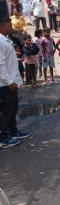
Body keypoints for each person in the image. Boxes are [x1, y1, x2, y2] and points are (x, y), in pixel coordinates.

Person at [0, 16, 30, 148]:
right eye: (8, 25)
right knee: (7, 110)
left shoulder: (7, 40)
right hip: (5, 83)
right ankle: (3, 137)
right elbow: (0, 64)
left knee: (13, 108)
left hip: (12, 81)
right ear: (2, 26)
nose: (10, 27)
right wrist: (9, 81)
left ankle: (13, 131)